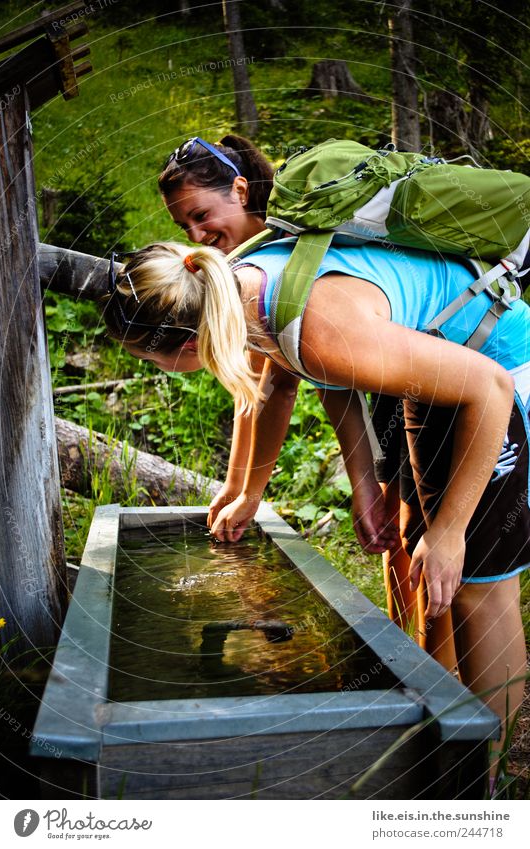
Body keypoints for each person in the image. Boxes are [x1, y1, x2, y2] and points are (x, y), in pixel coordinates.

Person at [103, 235, 529, 777]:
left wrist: (450, 531)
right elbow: (315, 376)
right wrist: (360, 484)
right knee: (431, 573)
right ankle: (444, 736)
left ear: (188, 345)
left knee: (477, 590)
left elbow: (487, 390)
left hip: (500, 372)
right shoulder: (236, 290)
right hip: (437, 371)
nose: (156, 368)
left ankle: (489, 777)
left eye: (151, 359)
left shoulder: (316, 328)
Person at [157, 136, 444, 659]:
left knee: (412, 527)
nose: (197, 236)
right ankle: (405, 659)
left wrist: (250, 494)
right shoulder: (245, 263)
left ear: (240, 191)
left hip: (418, 357)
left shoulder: (277, 251)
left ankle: (438, 685)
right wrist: (237, 485)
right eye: (185, 228)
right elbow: (259, 386)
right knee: (392, 533)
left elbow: (281, 385)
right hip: (377, 378)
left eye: (200, 215)